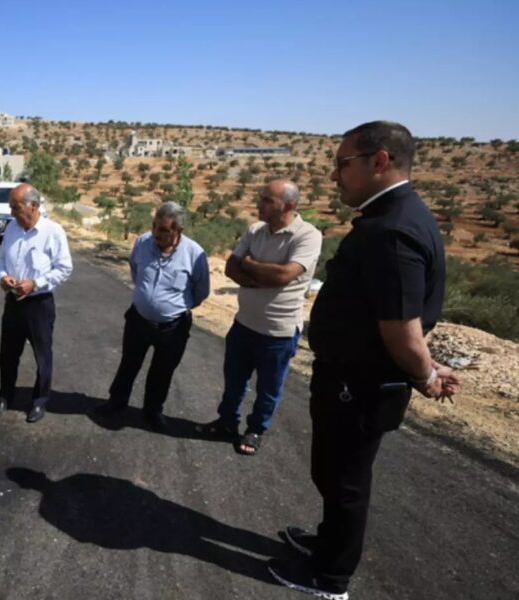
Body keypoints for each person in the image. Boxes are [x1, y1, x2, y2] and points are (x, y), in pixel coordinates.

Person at [267, 121, 460, 599]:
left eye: (342, 164)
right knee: (333, 473)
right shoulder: (394, 218)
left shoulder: (392, 231)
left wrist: (426, 374)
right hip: (352, 380)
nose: (335, 177)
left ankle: (331, 579)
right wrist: (424, 368)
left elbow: (402, 328)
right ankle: (327, 544)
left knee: (346, 480)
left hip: (362, 385)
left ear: (379, 162)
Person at [198, 180, 322, 455]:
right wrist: (258, 276)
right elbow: (231, 267)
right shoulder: (256, 230)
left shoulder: (308, 236)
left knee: (269, 389)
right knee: (233, 381)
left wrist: (251, 264)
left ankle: (256, 430)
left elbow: (283, 275)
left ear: (288, 206)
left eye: (267, 200)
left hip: (278, 333)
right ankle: (227, 422)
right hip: (243, 324)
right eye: (261, 197)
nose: (259, 203)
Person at [95, 202, 210, 432]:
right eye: (155, 226)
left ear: (178, 231)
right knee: (129, 363)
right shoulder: (142, 243)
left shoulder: (194, 254)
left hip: (173, 327)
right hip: (138, 320)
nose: (157, 233)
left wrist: (174, 307)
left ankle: (152, 410)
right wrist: (147, 299)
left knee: (162, 370)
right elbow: (135, 271)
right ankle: (116, 402)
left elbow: (201, 291)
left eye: (164, 230)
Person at [0, 183, 73, 423]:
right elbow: (2, 261)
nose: (12, 212)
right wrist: (3, 277)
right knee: (8, 354)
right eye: (11, 207)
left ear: (33, 206)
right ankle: (5, 397)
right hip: (13, 302)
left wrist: (35, 284)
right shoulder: (11, 229)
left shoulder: (53, 231)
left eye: (15, 207)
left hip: (40, 305)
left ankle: (39, 401)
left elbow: (64, 268)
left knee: (42, 356)